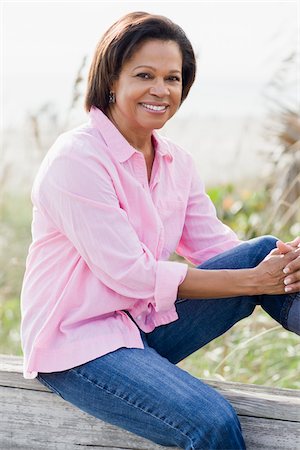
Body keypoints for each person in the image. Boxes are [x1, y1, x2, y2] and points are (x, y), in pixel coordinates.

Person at [20, 11, 300, 450]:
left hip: (142, 325)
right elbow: (130, 275)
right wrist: (253, 279)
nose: (161, 90)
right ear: (111, 79)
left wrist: (283, 260)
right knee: (211, 422)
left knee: (263, 251)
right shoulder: (76, 159)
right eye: (145, 75)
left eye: (173, 78)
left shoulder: (175, 160)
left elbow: (216, 244)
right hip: (77, 346)